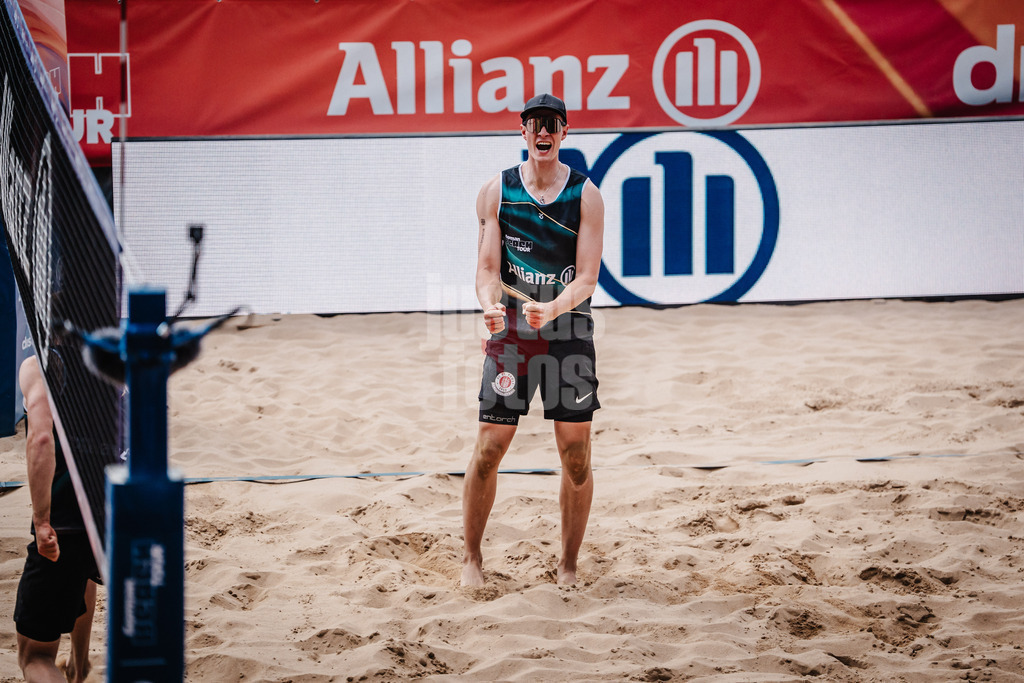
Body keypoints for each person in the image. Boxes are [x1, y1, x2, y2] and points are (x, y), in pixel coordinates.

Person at [462, 93, 605, 587]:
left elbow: (587, 278)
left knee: (576, 458)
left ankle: (568, 566)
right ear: (522, 131)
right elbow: (486, 270)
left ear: (564, 132)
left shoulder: (585, 194)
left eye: (552, 124)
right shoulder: (496, 191)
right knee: (489, 447)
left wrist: (555, 308)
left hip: (568, 332)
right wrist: (488, 304)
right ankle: (472, 560)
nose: (543, 132)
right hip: (514, 335)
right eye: (534, 124)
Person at [14, 355, 99, 683]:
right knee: (81, 569)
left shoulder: (39, 365)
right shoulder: (115, 355)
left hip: (66, 514)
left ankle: (74, 667)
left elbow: (41, 438)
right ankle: (79, 665)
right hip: (114, 509)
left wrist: (41, 520)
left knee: (35, 656)